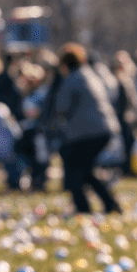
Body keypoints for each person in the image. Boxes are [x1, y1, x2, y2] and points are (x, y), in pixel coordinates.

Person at [49, 43, 122, 215]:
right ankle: (108, 204)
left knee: (75, 169)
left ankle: (85, 206)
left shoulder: (72, 79)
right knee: (85, 170)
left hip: (86, 132)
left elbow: (62, 108)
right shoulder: (90, 74)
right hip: (103, 129)